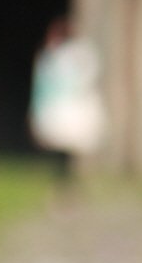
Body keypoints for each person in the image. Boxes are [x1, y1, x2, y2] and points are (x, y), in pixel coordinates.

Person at [30, 18, 105, 177]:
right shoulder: (51, 55)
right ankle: (61, 173)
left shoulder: (78, 53)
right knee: (58, 141)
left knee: (73, 140)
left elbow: (87, 75)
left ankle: (73, 173)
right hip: (57, 105)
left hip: (72, 105)